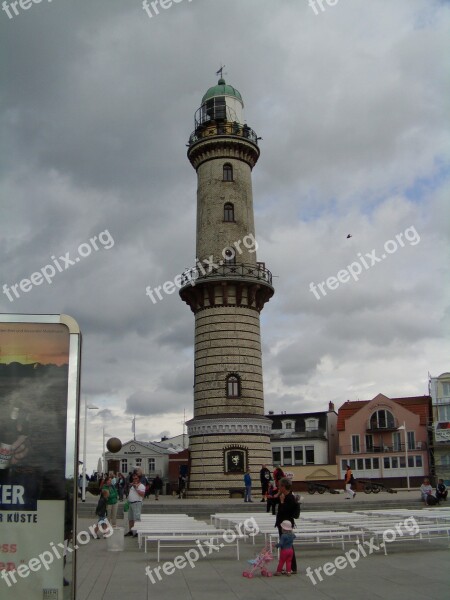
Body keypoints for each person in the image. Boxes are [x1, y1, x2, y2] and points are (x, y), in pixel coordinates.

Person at [275, 477, 297, 574]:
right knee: (285, 546)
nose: (279, 487)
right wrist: (278, 496)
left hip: (286, 525)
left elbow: (286, 511)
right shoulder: (284, 496)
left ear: (284, 486)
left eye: (280, 486)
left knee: (288, 545)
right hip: (282, 524)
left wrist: (282, 502)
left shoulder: (289, 498)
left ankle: (292, 567)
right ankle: (288, 566)